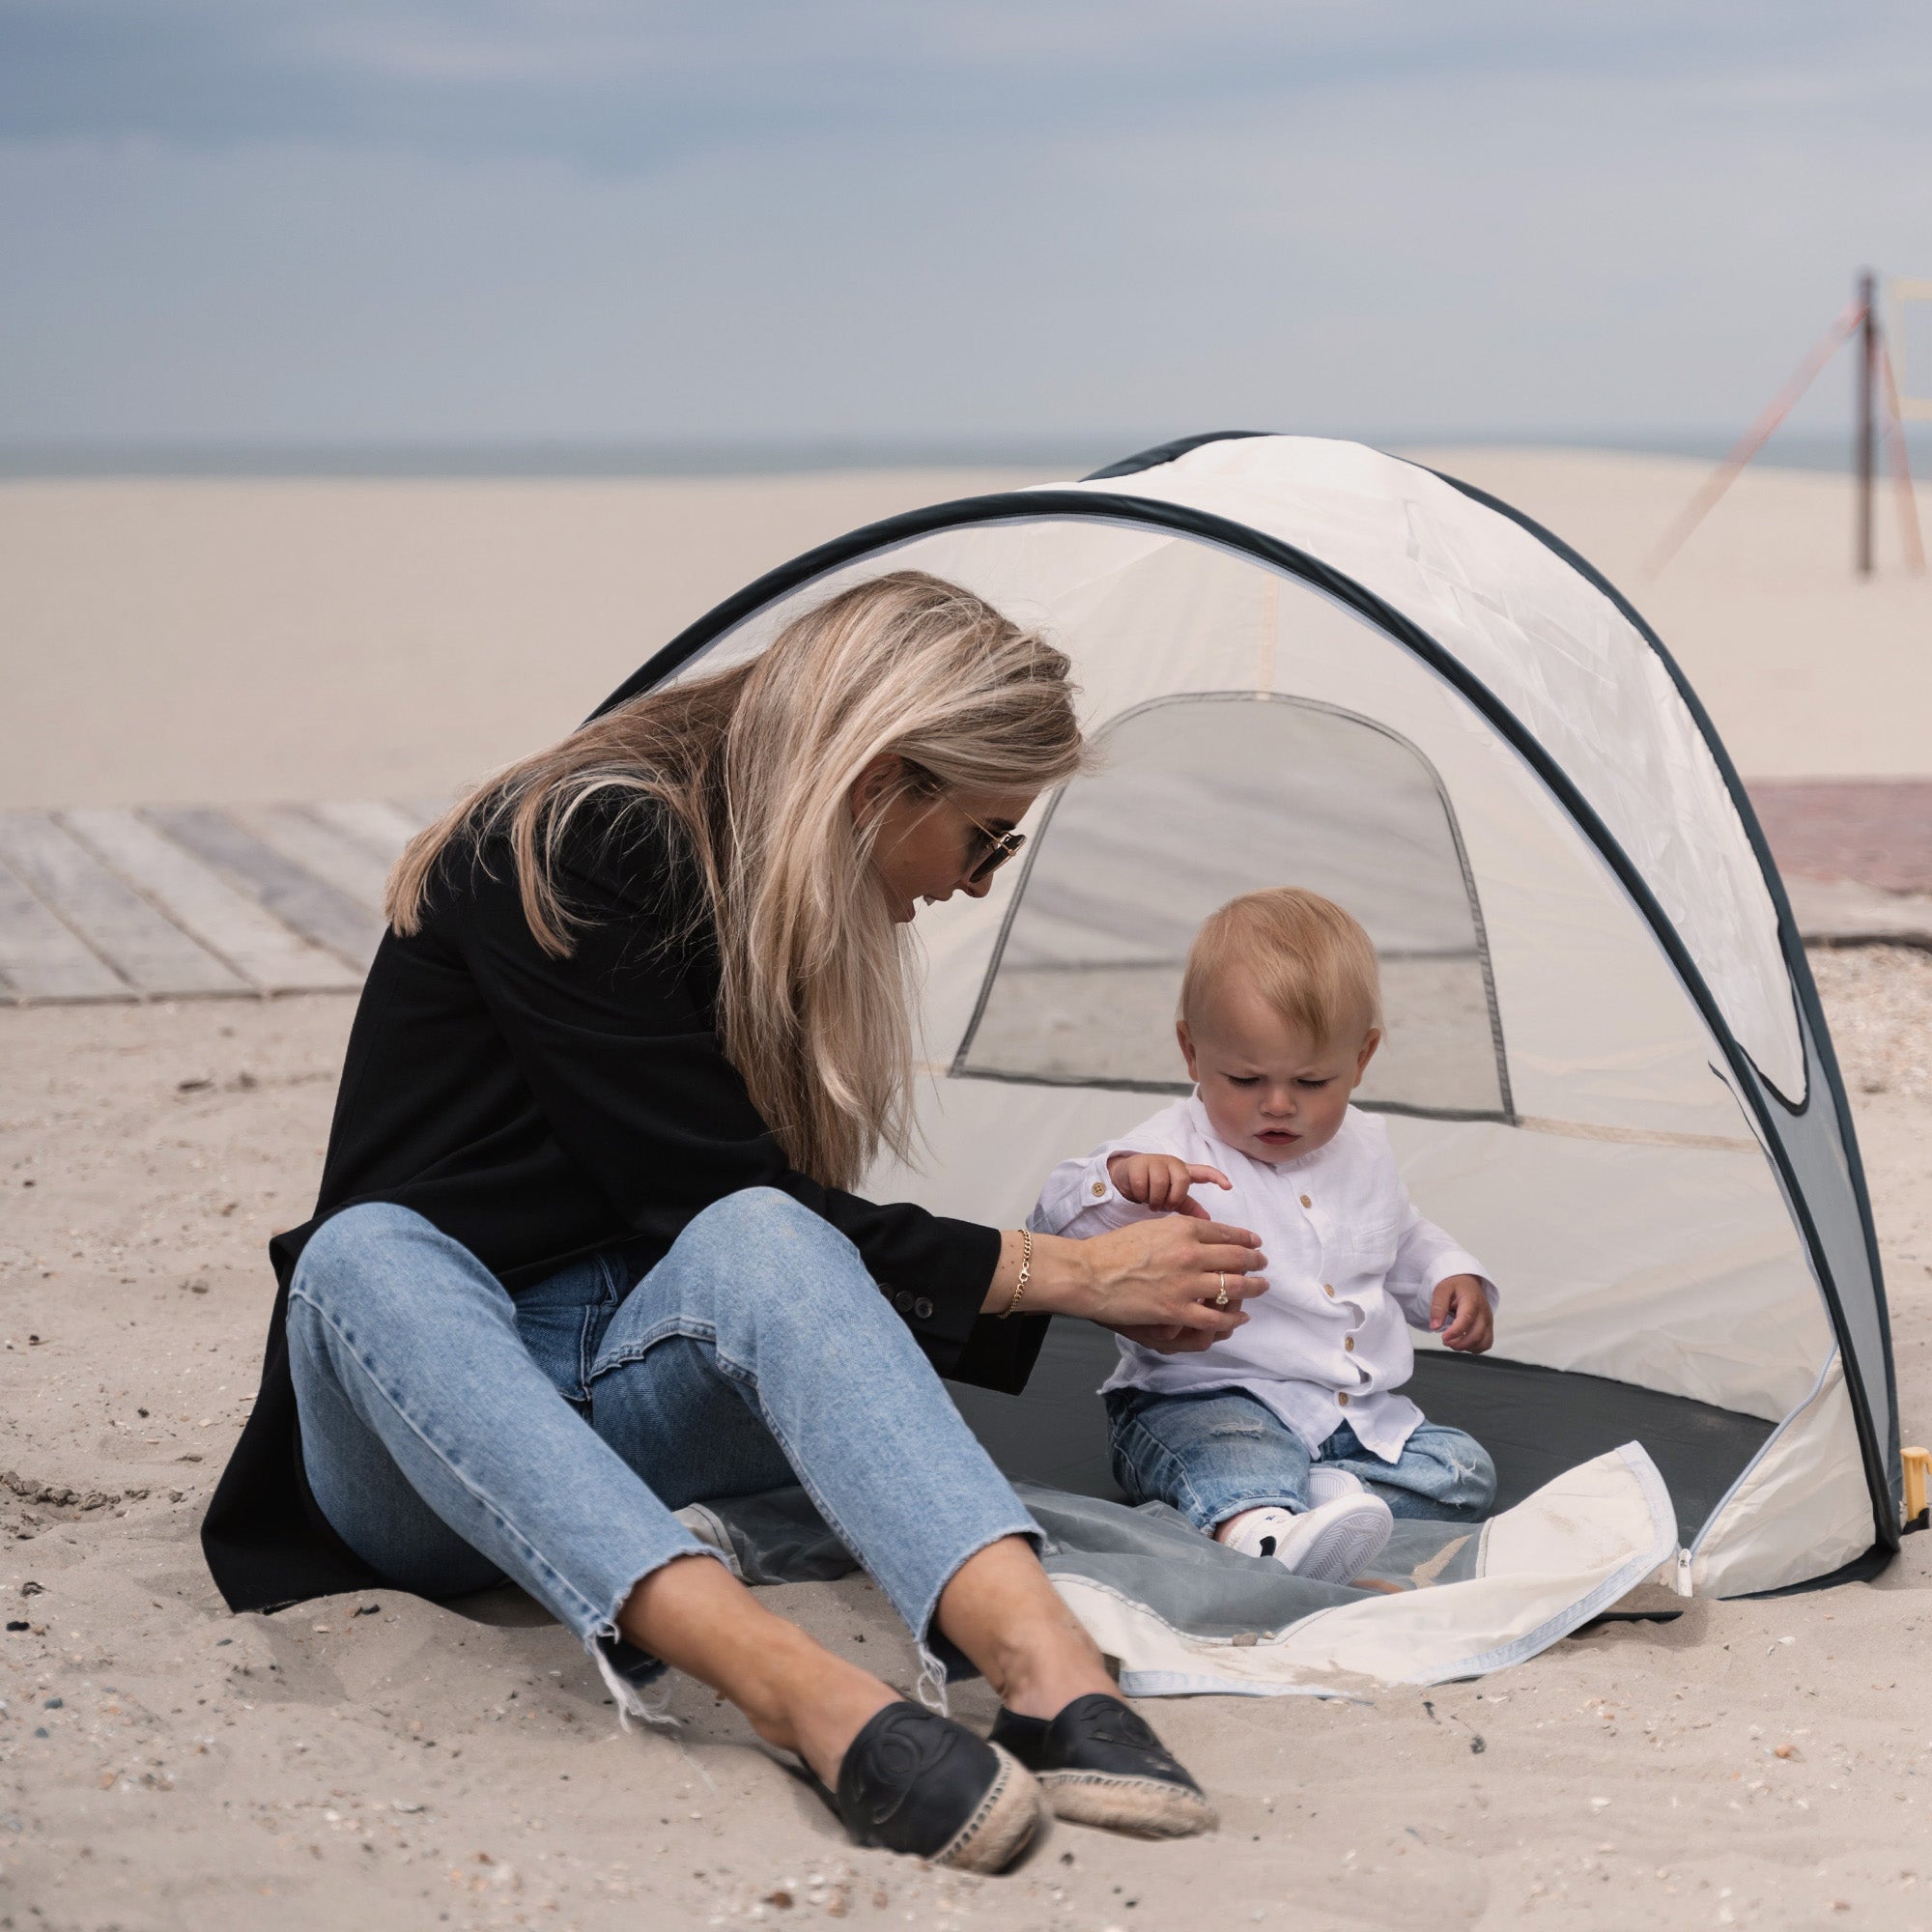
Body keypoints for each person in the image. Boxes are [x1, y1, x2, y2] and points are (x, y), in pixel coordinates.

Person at [202, 572, 1277, 1872]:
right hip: (423, 1423)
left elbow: (738, 1225)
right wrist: (1064, 1273)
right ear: (882, 781)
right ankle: (796, 1691)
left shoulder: (763, 882)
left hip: (634, 1383)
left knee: (767, 1233)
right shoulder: (582, 844)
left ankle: (1050, 1674)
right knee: (363, 1251)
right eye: (988, 838)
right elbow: (686, 1183)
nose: (981, 884)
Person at [1030, 888, 1498, 1586]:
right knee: (1234, 1454)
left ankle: (1312, 1506)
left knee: (1462, 1472)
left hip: (1348, 1418)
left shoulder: (1366, 1147)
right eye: (1245, 1079)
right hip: (1206, 1399)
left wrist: (1448, 1278)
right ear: (1192, 1050)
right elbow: (1053, 1230)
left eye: (1312, 1081)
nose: (1278, 1105)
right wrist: (1119, 1181)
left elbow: (1398, 1239)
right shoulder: (1167, 1151)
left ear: (1363, 1059)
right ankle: (1262, 1533)